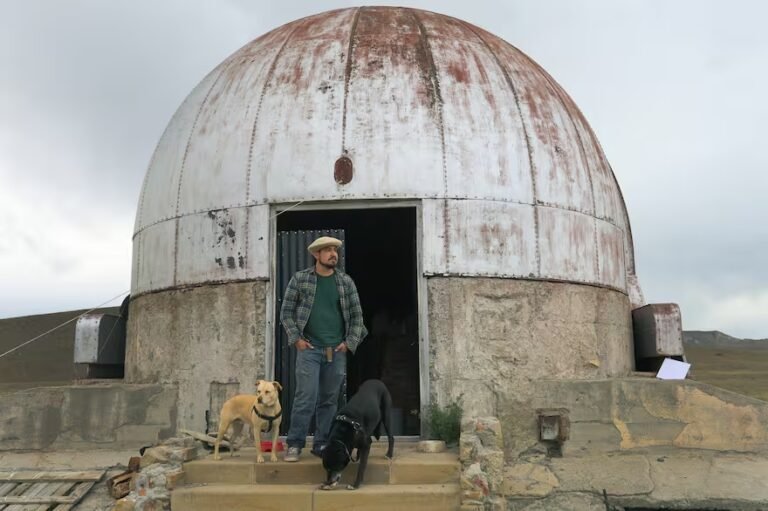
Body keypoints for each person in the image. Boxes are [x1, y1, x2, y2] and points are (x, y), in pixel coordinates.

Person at [280, 236, 368, 462]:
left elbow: (357, 316)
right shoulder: (300, 279)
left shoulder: (345, 282)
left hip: (336, 351)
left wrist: (349, 343)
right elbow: (286, 312)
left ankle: (321, 443)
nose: (333, 254)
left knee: (329, 400)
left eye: (335, 250)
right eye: (327, 250)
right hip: (309, 349)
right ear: (316, 254)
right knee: (305, 398)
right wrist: (297, 339)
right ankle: (295, 444)